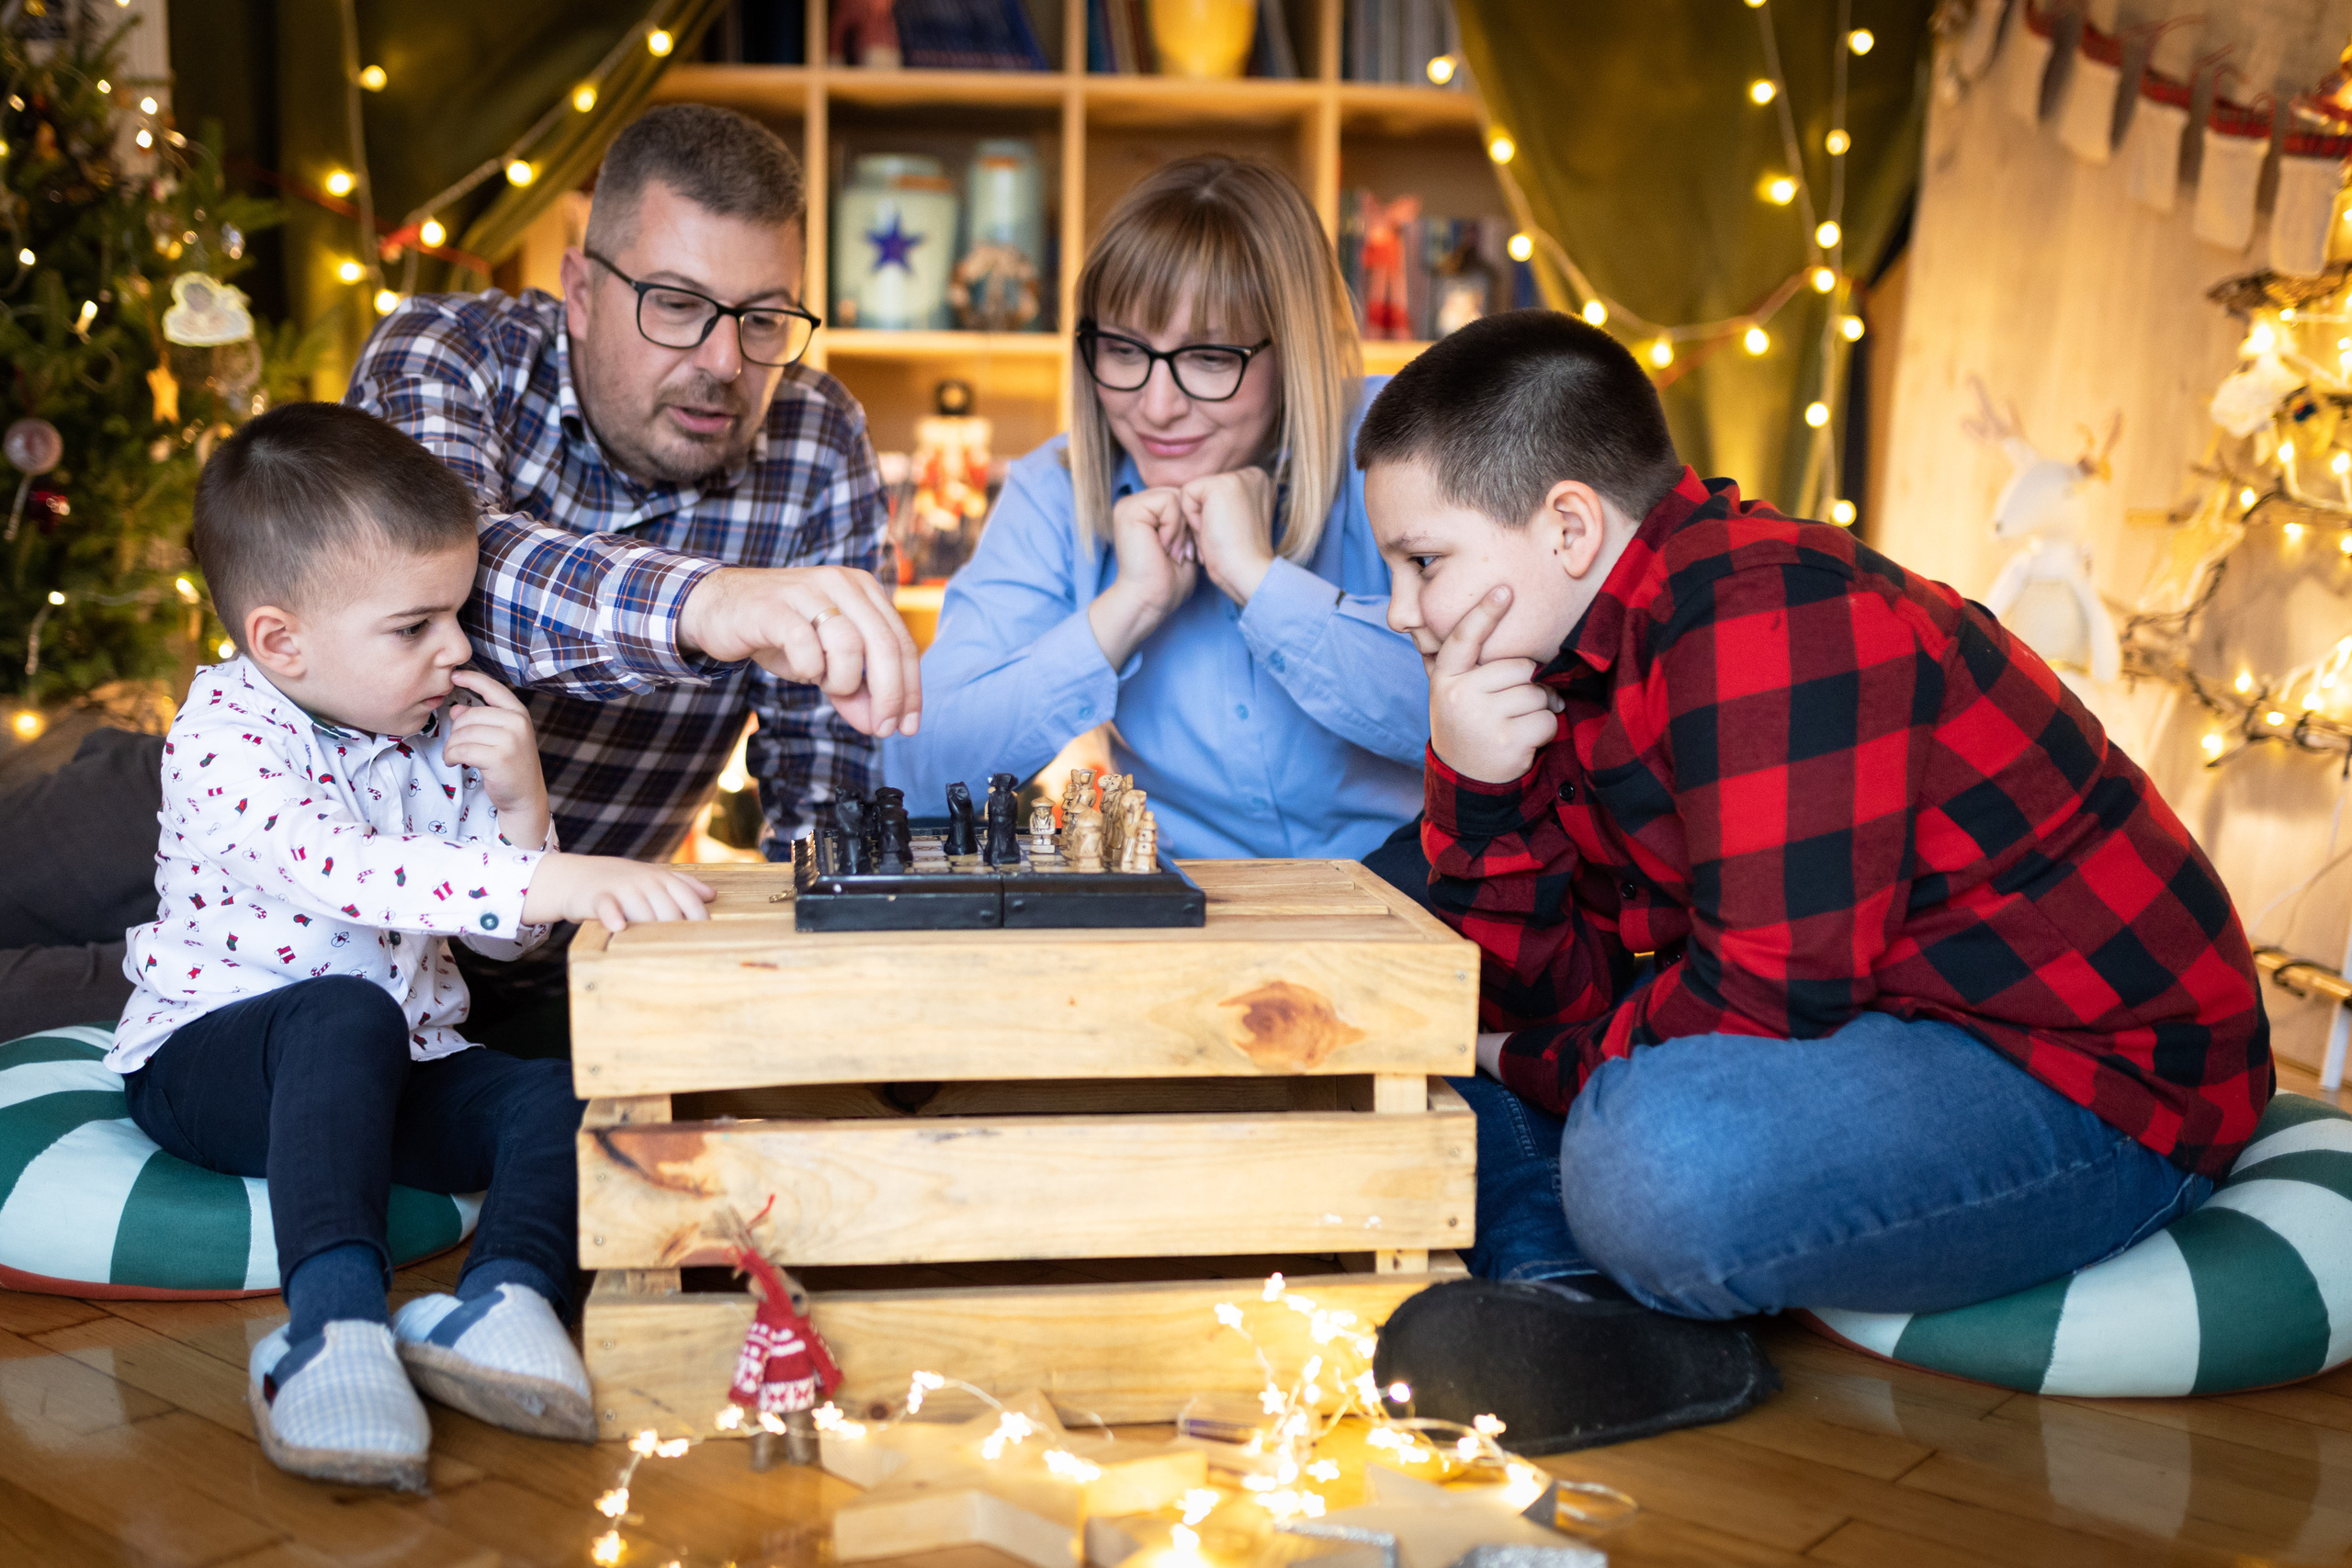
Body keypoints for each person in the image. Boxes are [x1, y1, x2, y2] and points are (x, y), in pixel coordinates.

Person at [1356, 309, 2270, 1320]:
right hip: (1893, 1024)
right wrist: (1475, 781)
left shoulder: (1762, 614)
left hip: (2103, 1083)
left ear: (1569, 528)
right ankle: (1555, 1258)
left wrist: (1520, 1064)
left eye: (1422, 563)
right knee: (1406, 936)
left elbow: (1759, 1004)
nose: (1401, 611)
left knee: (1649, 1165)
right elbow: (1539, 994)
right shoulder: (1562, 666)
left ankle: (1572, 1264)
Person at [114, 403, 718, 1491]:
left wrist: (522, 806)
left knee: (559, 1095)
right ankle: (330, 1325)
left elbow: (493, 949)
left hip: (400, 1070)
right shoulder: (222, 733)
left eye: (459, 614)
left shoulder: (430, 733)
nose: (460, 649)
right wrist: (564, 876)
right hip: (214, 1063)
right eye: (415, 627)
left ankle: (503, 1300)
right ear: (280, 640)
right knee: (347, 1011)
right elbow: (339, 867)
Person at [346, 103, 919, 1051]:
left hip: (578, 963)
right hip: (345, 945)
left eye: (765, 318)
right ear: (578, 288)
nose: (725, 362)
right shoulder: (446, 351)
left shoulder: (816, 437)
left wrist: (822, 999)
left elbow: (819, 789)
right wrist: (712, 601)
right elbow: (451, 585)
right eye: (679, 306)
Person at [887, 156, 1427, 860]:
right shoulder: (1057, 488)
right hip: (1194, 927)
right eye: (1123, 350)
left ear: (1296, 351)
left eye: (1208, 358)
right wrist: (1128, 608)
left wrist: (1261, 584)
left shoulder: (1407, 443)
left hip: (1425, 910)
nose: (1158, 407)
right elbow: (922, 772)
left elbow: (1493, 720)